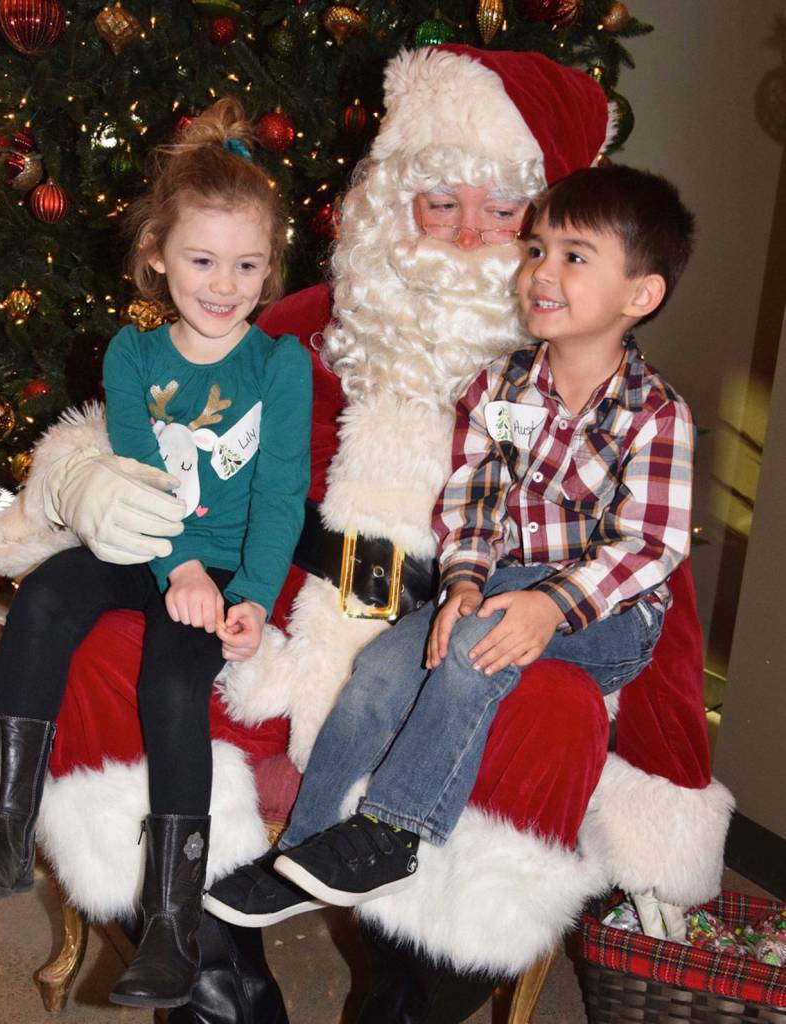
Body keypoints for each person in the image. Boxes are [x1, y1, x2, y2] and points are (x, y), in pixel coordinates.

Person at [0, 46, 732, 1024]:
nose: (465, 238)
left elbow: (643, 567)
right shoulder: (306, 326)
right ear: (388, 204)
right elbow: (136, 418)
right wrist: (92, 483)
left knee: (554, 709)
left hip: (473, 637)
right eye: (437, 201)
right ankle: (217, 981)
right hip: (282, 621)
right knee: (118, 650)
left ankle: (414, 996)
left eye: (501, 211)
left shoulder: (584, 382)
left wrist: (666, 781)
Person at [202, 163, 696, 924]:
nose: (541, 272)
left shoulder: (656, 414)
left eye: (574, 256)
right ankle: (300, 850)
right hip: (499, 588)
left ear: (641, 295)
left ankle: (395, 833)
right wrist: (464, 581)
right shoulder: (499, 388)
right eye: (535, 249)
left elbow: (649, 546)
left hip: (610, 611)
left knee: (472, 648)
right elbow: (475, 502)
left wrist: (548, 607)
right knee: (387, 664)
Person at [0, 97, 312, 1012]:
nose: (224, 283)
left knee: (169, 685)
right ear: (158, 254)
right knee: (43, 598)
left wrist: (253, 597)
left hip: (230, 568)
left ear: (271, 266)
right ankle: (4, 828)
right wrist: (176, 570)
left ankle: (170, 923)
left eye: (247, 264)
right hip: (153, 549)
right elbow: (147, 472)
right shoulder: (131, 355)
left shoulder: (279, 368)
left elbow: (279, 497)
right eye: (202, 260)